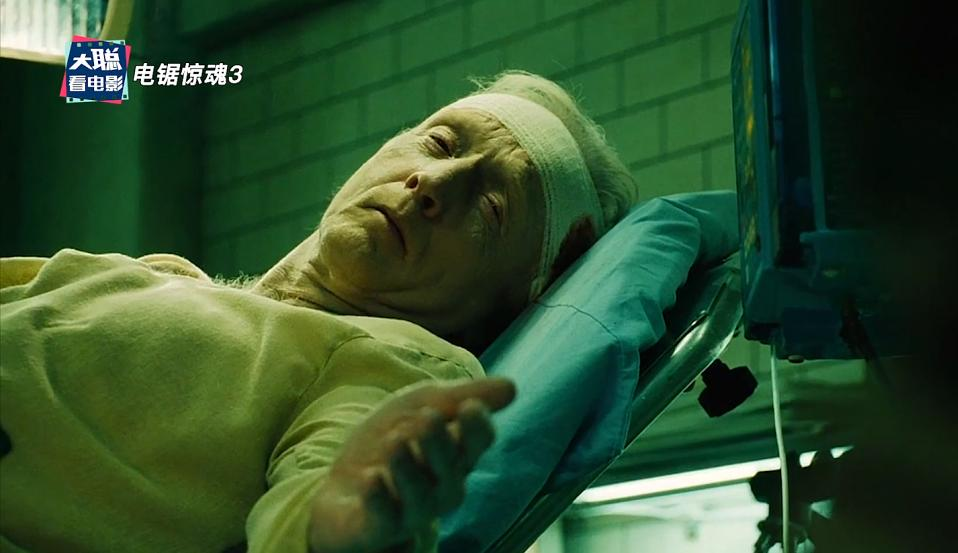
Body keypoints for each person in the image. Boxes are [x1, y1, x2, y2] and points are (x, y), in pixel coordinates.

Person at [0, 71, 637, 553]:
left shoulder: (394, 359)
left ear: (503, 304)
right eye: (440, 144)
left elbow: (326, 494)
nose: (433, 183)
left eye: (493, 209)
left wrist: (338, 523)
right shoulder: (166, 277)